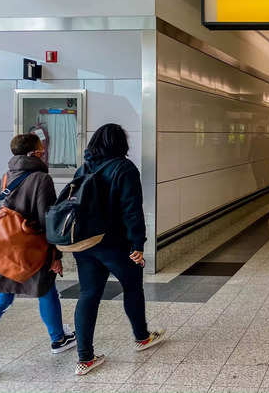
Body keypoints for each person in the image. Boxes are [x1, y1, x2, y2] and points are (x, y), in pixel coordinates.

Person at [72, 124, 164, 376]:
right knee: (132, 288)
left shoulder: (84, 167)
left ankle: (84, 358)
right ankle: (142, 337)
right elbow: (131, 210)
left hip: (85, 244)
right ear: (121, 143)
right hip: (116, 245)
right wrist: (138, 244)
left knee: (88, 295)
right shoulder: (124, 168)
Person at [0, 134, 76, 353]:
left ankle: (59, 336)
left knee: (2, 295)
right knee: (46, 290)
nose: (44, 152)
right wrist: (55, 256)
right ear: (34, 153)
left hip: (2, 247)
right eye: (42, 149)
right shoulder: (41, 179)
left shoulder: (4, 178)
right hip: (32, 247)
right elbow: (47, 220)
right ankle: (58, 339)